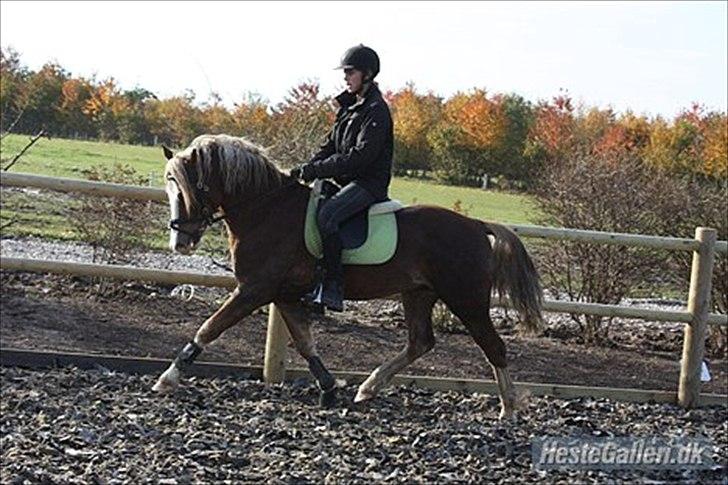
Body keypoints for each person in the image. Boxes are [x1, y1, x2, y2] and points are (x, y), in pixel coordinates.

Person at [290, 44, 394, 312]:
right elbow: (331, 146)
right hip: (345, 181)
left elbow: (360, 157)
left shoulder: (376, 110)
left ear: (367, 74)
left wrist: (318, 170)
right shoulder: (349, 108)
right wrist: (307, 167)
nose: (346, 77)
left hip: (367, 184)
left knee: (329, 216)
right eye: (345, 72)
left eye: (351, 72)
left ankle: (333, 287)